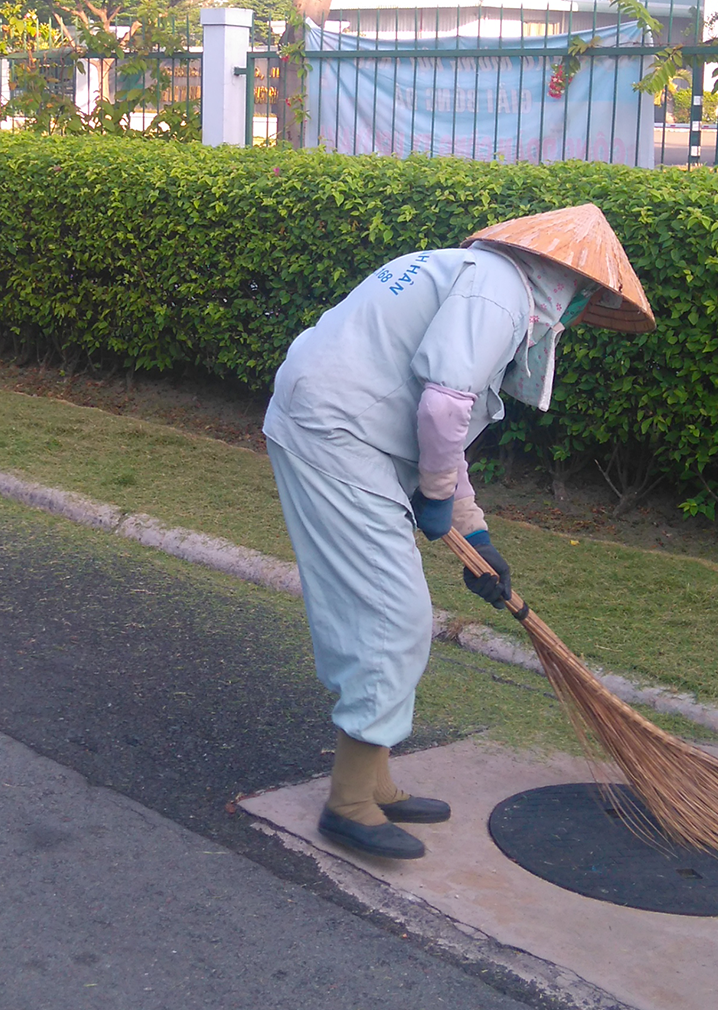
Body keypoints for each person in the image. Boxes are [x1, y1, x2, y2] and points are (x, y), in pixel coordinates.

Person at [263, 203, 654, 861]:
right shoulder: (498, 296)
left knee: (384, 612)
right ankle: (349, 800)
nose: (582, 312)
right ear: (567, 282)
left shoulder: (485, 280)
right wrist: (436, 497)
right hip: (334, 433)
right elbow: (445, 407)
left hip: (341, 426)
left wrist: (473, 533)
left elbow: (448, 426)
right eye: (587, 297)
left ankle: (374, 777)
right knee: (394, 614)